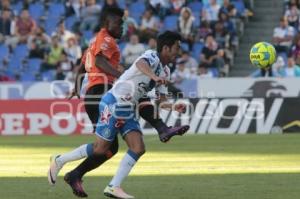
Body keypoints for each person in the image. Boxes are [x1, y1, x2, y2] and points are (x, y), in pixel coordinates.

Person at [48, 8, 188, 198]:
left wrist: (172, 106)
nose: (178, 51)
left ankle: (113, 186)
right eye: (176, 47)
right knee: (102, 148)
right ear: (165, 48)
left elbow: (161, 101)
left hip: (127, 107)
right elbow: (140, 65)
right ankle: (61, 160)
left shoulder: (165, 71)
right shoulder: (150, 56)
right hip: (112, 102)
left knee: (138, 147)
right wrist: (150, 76)